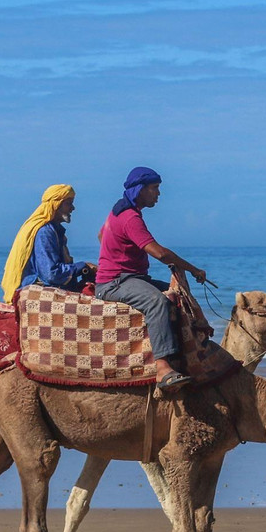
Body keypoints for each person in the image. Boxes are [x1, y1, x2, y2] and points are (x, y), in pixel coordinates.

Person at [94, 167, 208, 393]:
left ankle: (185, 353)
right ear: (141, 190)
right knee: (158, 302)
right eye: (154, 188)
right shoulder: (129, 217)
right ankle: (163, 368)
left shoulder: (120, 211)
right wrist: (194, 270)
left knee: (179, 296)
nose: (158, 193)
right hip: (114, 282)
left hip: (130, 277)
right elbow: (160, 254)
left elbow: (101, 235)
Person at [0, 184, 97, 303]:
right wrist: (83, 266)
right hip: (37, 288)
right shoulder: (45, 232)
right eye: (69, 203)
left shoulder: (54, 230)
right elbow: (51, 274)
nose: (73, 208)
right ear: (56, 205)